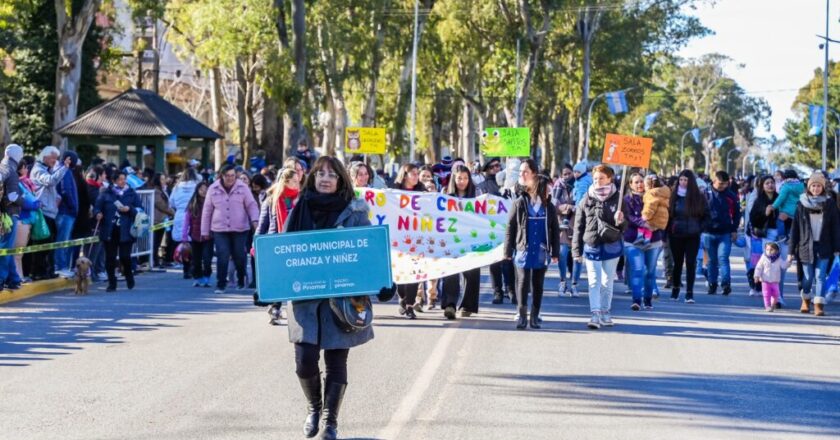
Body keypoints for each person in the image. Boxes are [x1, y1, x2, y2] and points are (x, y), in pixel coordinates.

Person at [285, 156, 372, 440]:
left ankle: (330, 422)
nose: (325, 178)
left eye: (331, 174)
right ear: (312, 177)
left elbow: (368, 254)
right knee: (304, 361)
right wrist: (268, 290)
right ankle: (314, 407)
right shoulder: (299, 210)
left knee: (336, 362)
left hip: (342, 300)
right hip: (306, 300)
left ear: (340, 180)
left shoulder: (355, 212)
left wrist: (382, 285)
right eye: (320, 173)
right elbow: (282, 254)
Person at [505, 160, 560, 330]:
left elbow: (555, 230)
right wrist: (507, 250)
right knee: (522, 282)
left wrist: (555, 252)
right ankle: (521, 315)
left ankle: (534, 316)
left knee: (538, 284)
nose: (548, 190)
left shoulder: (549, 207)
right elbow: (510, 227)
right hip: (523, 249)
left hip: (541, 250)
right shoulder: (520, 203)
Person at [572, 164, 626, 329]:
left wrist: (621, 220)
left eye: (602, 178)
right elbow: (578, 226)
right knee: (594, 281)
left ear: (609, 178)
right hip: (592, 245)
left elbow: (625, 227)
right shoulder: (586, 199)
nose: (598, 181)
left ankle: (605, 311)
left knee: (607, 281)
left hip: (611, 245)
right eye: (595, 178)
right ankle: (594, 314)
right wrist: (576, 251)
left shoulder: (619, 198)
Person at [201, 164, 260, 294]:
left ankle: (240, 280)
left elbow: (251, 205)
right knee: (222, 255)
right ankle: (221, 284)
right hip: (219, 228)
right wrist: (204, 231)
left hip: (240, 228)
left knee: (239, 255)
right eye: (227, 176)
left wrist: (255, 220)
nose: (230, 178)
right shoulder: (213, 188)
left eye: (232, 175)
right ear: (222, 176)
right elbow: (207, 211)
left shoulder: (243, 187)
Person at [789, 172, 840, 316]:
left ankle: (818, 304)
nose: (816, 188)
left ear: (823, 187)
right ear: (809, 187)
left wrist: (837, 248)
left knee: (820, 276)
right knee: (808, 277)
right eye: (813, 186)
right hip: (806, 246)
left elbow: (836, 227)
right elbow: (795, 229)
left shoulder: (829, 203)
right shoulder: (801, 204)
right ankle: (805, 298)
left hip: (824, 246)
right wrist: (790, 251)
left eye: (819, 186)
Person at [256, 168, 300, 325]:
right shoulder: (271, 199)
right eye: (294, 181)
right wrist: (257, 243)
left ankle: (297, 310)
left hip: (296, 243)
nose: (297, 184)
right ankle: (275, 308)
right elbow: (263, 224)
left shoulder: (300, 199)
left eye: (298, 181)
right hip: (276, 242)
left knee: (294, 277)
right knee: (279, 277)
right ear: (286, 181)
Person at [440, 165, 481, 319]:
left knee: (471, 272)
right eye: (459, 178)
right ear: (453, 179)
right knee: (451, 271)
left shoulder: (477, 194)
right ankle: (450, 305)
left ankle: (468, 305)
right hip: (451, 239)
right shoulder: (445, 194)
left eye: (465, 178)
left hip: (472, 239)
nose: (462, 181)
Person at [623, 173, 666, 310]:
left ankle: (647, 300)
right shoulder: (626, 200)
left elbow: (663, 213)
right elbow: (628, 217)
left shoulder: (654, 196)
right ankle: (636, 300)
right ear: (630, 184)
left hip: (653, 240)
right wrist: (643, 223)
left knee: (650, 272)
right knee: (638, 269)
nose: (639, 184)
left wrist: (656, 223)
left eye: (641, 181)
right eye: (636, 182)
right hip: (632, 241)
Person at [93, 170, 141, 292]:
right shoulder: (106, 193)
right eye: (120, 179)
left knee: (125, 257)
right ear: (114, 180)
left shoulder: (131, 193)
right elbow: (97, 207)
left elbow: (140, 208)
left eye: (124, 179)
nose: (123, 181)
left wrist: (129, 209)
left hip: (126, 230)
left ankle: (129, 276)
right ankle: (111, 282)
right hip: (110, 230)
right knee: (110, 258)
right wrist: (98, 213)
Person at [668, 170, 710, 303]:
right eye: (681, 180)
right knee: (677, 263)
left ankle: (689, 293)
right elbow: (668, 215)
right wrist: (668, 231)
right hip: (676, 234)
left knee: (691, 263)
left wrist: (699, 228)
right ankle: (675, 289)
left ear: (690, 181)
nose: (683, 182)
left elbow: (707, 216)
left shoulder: (699, 197)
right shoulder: (673, 195)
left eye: (685, 180)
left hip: (693, 235)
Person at [30, 146, 71, 280]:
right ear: (45, 157)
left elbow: (51, 188)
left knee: (49, 244)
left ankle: (46, 270)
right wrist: (64, 167)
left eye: (56, 158)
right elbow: (50, 181)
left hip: (50, 212)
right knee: (42, 244)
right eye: (53, 157)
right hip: (43, 213)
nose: (55, 161)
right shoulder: (38, 170)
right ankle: (38, 272)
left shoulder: (48, 169)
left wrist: (57, 198)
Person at [391, 163, 426, 318]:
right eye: (413, 173)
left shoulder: (422, 192)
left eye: (417, 174)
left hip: (416, 238)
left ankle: (410, 305)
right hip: (399, 239)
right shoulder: (393, 191)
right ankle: (403, 297)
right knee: (400, 272)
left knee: (413, 272)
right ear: (404, 175)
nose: (416, 177)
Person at [703, 171, 741, 296]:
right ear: (714, 181)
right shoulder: (705, 194)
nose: (723, 186)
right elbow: (698, 211)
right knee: (711, 261)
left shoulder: (731, 195)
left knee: (723, 259)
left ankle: (726, 284)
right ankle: (712, 284)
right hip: (708, 232)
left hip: (725, 233)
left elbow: (737, 214)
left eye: (725, 184)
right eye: (720, 184)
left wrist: (734, 229)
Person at [0, 144, 24, 289]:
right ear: (17, 156)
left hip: (2, 214)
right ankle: (2, 278)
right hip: (9, 215)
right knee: (6, 247)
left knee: (6, 246)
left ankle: (13, 279)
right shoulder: (12, 171)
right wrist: (26, 201)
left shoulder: (2, 167)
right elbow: (13, 196)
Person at [169, 169, 200, 278]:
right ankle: (193, 266)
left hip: (180, 214)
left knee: (183, 243)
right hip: (194, 215)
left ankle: (185, 268)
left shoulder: (177, 187)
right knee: (194, 243)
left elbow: (171, 201)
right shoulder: (197, 186)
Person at [15, 155, 40, 283]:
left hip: (26, 221)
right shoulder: (18, 184)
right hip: (21, 220)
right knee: (17, 253)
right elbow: (25, 202)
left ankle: (19, 276)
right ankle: (18, 277)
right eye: (24, 167)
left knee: (20, 253)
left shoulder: (23, 182)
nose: (26, 170)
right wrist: (36, 204)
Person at [182, 181, 212, 287]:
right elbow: (186, 221)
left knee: (207, 259)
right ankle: (197, 277)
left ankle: (207, 277)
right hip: (195, 236)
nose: (204, 191)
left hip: (208, 236)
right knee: (196, 259)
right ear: (197, 191)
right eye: (201, 189)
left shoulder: (212, 203)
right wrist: (184, 237)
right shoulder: (193, 204)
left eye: (206, 189)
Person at [754, 242, 790, 312]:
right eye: (767, 250)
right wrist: (756, 276)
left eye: (771, 250)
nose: (769, 251)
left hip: (775, 281)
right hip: (765, 280)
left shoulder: (779, 259)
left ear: (776, 251)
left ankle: (772, 305)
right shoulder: (763, 257)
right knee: (766, 294)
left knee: (776, 294)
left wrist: (789, 261)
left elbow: (783, 266)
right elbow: (759, 267)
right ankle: (767, 306)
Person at [151, 173, 175, 268]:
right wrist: (173, 212)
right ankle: (155, 260)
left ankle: (159, 259)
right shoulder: (156, 191)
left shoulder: (163, 190)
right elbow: (162, 205)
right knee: (156, 241)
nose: (164, 181)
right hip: (158, 220)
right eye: (162, 179)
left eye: (164, 179)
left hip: (164, 219)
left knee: (161, 241)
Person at [638, 174, 671, 245]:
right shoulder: (663, 192)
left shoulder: (651, 193)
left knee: (644, 227)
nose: (644, 187)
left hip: (654, 217)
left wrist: (645, 216)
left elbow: (650, 206)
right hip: (662, 219)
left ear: (650, 186)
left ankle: (643, 239)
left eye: (645, 185)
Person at [771, 169, 804, 239]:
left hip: (786, 211)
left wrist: (773, 206)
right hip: (798, 211)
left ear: (785, 177)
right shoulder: (801, 185)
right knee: (791, 227)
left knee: (779, 220)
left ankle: (781, 236)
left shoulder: (786, 186)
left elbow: (781, 198)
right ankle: (790, 238)